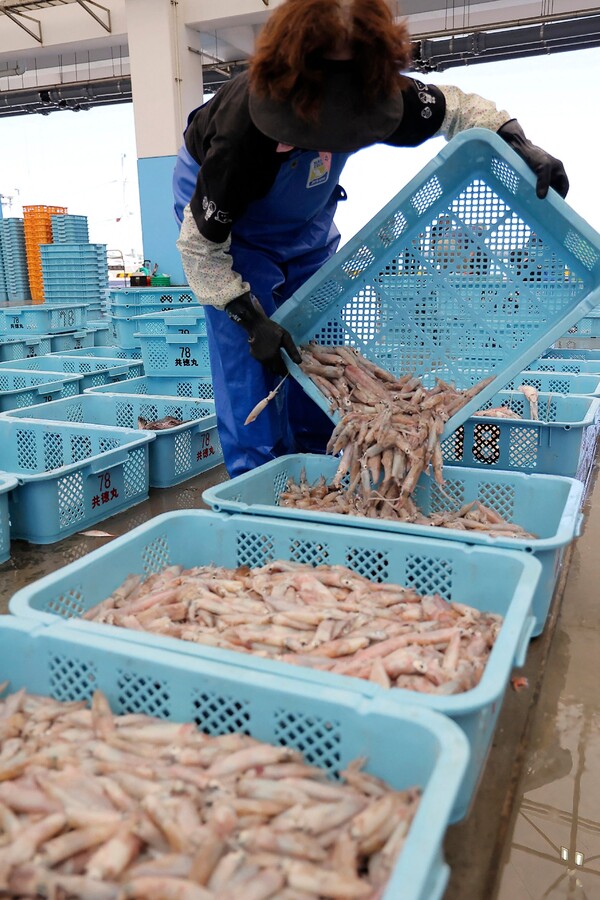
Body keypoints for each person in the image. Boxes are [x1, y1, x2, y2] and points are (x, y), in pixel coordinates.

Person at [174, 0, 569, 479]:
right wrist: (248, 317)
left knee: (319, 340)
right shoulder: (242, 138)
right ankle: (258, 481)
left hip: (307, 219)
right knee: (253, 358)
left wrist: (517, 141)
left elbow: (457, 110)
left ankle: (325, 465)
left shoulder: (381, 93)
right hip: (234, 232)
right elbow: (201, 250)